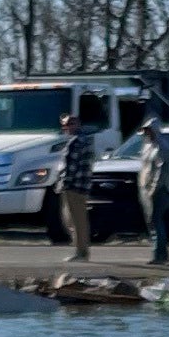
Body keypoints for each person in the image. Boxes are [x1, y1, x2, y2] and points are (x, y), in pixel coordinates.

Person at [58, 98, 99, 260]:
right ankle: (83, 251)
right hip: (83, 186)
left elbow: (71, 167)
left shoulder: (75, 142)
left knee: (74, 221)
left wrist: (64, 183)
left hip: (73, 186)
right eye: (65, 125)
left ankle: (80, 252)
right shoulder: (87, 141)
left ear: (76, 125)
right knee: (80, 220)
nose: (66, 127)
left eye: (69, 124)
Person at [139, 122, 169, 265]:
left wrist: (154, 188)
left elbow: (161, 171)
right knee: (151, 221)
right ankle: (163, 254)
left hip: (158, 189)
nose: (147, 134)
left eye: (149, 131)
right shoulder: (148, 146)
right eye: (146, 131)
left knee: (156, 221)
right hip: (146, 188)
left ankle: (158, 255)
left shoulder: (161, 147)